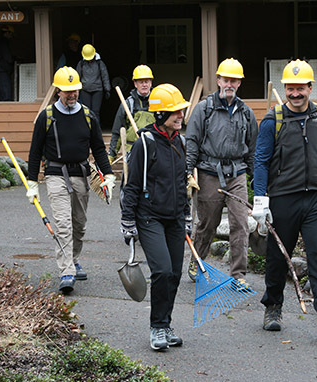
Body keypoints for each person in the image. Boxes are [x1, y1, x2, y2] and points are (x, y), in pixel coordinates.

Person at [251, 59, 317, 340]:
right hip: (283, 198)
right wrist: (261, 200)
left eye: (300, 88)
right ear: (285, 88)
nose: (295, 93)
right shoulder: (273, 120)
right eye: (290, 88)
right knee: (279, 257)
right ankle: (273, 306)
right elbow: (261, 160)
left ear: (310, 87)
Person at [27, 66, 116, 294]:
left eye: (75, 90)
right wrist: (32, 182)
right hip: (56, 175)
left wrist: (108, 175)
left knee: (79, 225)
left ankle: (74, 259)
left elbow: (98, 147)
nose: (72, 94)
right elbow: (35, 151)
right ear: (58, 91)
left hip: (81, 176)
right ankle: (66, 271)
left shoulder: (88, 116)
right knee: (64, 225)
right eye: (67, 91)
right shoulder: (46, 117)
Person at [120, 84, 190, 351]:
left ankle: (166, 323)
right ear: (160, 115)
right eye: (175, 112)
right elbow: (132, 186)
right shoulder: (144, 145)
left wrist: (187, 214)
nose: (180, 115)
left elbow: (182, 182)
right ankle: (157, 328)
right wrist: (128, 221)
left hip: (175, 218)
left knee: (174, 274)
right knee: (161, 271)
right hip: (149, 217)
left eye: (181, 111)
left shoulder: (180, 142)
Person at [185, 58, 258, 289]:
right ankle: (197, 260)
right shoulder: (203, 109)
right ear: (218, 81)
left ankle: (238, 275)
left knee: (240, 223)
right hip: (209, 172)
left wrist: (257, 179)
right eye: (226, 79)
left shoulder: (246, 113)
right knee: (208, 223)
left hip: (237, 174)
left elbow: (253, 149)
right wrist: (187, 173)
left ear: (239, 84)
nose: (230, 84)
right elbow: (192, 142)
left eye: (234, 80)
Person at [108, 65, 156, 161]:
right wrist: (111, 155)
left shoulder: (159, 102)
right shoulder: (128, 104)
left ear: (151, 83)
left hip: (154, 151)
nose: (144, 85)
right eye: (141, 82)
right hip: (133, 152)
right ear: (135, 84)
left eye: (147, 81)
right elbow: (117, 131)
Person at [76, 44, 111, 120]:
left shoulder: (99, 63)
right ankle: (87, 130)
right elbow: (77, 77)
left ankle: (96, 130)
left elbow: (105, 76)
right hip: (85, 90)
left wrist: (107, 89)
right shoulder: (81, 64)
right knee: (86, 111)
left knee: (96, 111)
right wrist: (76, 90)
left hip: (97, 90)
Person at [0, 25, 14, 101]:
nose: (11, 36)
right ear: (6, 33)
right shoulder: (3, 43)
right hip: (2, 73)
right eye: (11, 34)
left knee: (2, 96)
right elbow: (8, 58)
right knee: (6, 97)